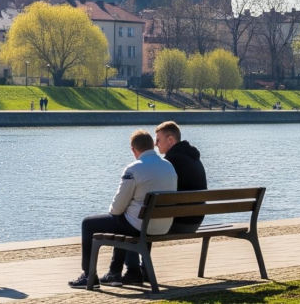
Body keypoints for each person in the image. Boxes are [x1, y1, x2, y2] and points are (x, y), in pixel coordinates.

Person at [69, 129, 177, 289]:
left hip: (139, 225)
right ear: (152, 146)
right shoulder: (168, 166)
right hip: (162, 225)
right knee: (123, 221)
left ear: (134, 150)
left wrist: (116, 212)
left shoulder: (134, 169)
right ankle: (115, 273)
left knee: (89, 223)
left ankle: (88, 275)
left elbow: (117, 208)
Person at [118, 120, 208, 285]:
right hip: (195, 220)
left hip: (179, 223)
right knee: (151, 214)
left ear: (171, 140)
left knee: (136, 220)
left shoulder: (171, 162)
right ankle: (142, 269)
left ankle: (134, 271)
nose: (155, 144)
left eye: (158, 140)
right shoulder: (193, 157)